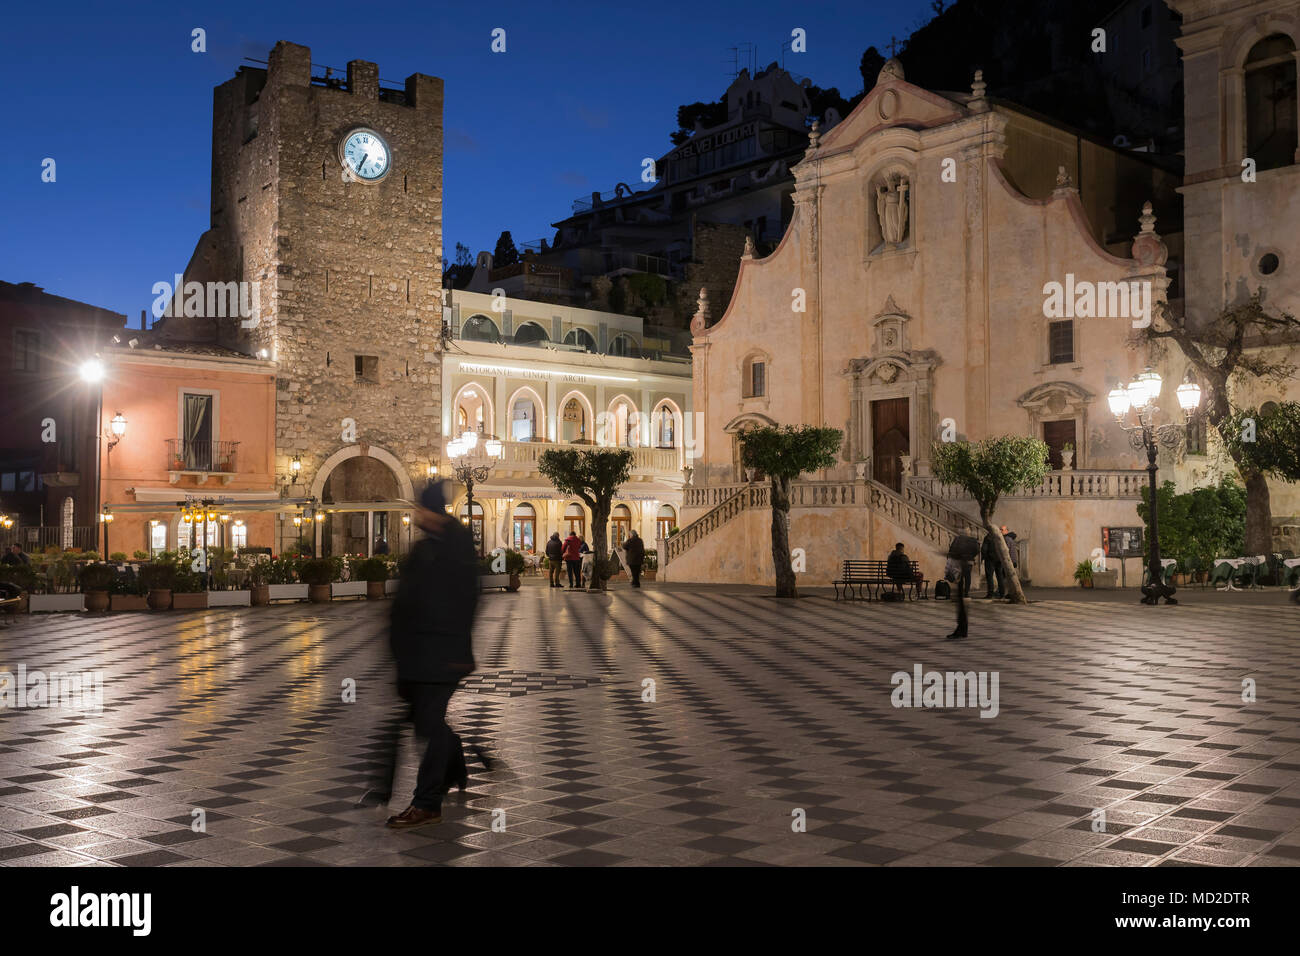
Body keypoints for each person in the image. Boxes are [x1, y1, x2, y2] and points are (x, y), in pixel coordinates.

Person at [382, 479, 481, 830]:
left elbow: (463, 603)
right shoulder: (427, 547)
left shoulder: (455, 550)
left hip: (442, 655)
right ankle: (455, 768)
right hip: (419, 655)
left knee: (429, 725)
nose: (417, 515)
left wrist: (455, 651)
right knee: (427, 725)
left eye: (421, 508)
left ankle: (427, 803)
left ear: (434, 512)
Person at [946, 534, 980, 640]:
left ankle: (961, 629)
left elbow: (952, 554)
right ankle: (962, 629)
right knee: (961, 604)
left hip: (960, 569)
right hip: (966, 566)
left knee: (960, 604)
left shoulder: (959, 541)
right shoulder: (971, 542)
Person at [981, 530, 1004, 598]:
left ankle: (990, 593)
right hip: (999, 559)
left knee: (989, 576)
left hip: (990, 559)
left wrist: (983, 557)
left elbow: (984, 549)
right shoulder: (999, 537)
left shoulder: (988, 537)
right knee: (1000, 576)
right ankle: (1002, 593)